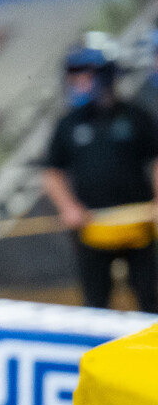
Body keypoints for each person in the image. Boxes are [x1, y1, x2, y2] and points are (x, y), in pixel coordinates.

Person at [42, 44, 158, 313]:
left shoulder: (136, 116)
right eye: (73, 77)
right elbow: (51, 173)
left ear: (105, 76)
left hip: (138, 227)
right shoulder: (68, 124)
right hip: (92, 230)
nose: (76, 83)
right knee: (95, 305)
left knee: (149, 300)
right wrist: (68, 207)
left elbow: (155, 160)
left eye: (84, 76)